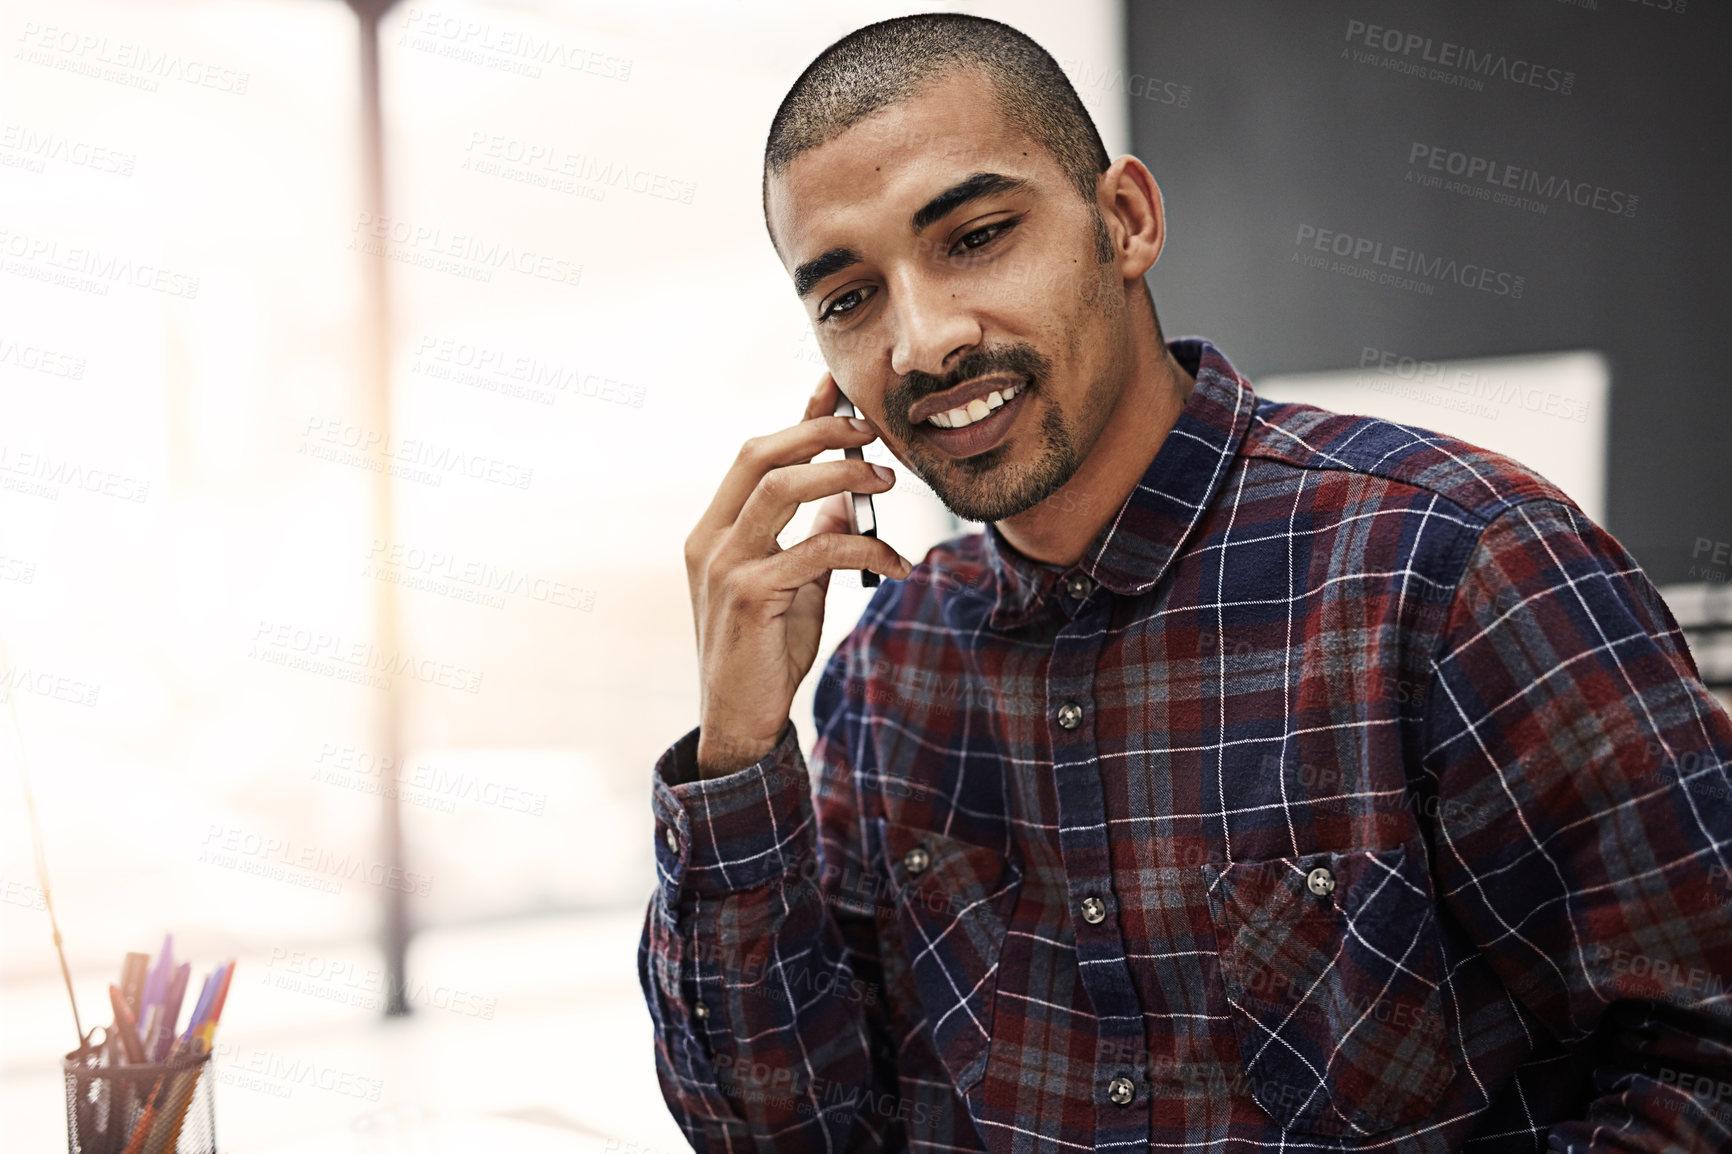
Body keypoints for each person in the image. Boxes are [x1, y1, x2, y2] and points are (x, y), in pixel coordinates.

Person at [637, 13, 1732, 1152]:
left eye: (975, 235)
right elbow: (782, 1131)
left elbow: (1704, 1066)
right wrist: (735, 751)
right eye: (848, 297)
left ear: (1125, 221)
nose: (919, 342)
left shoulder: (1458, 565)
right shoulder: (887, 665)